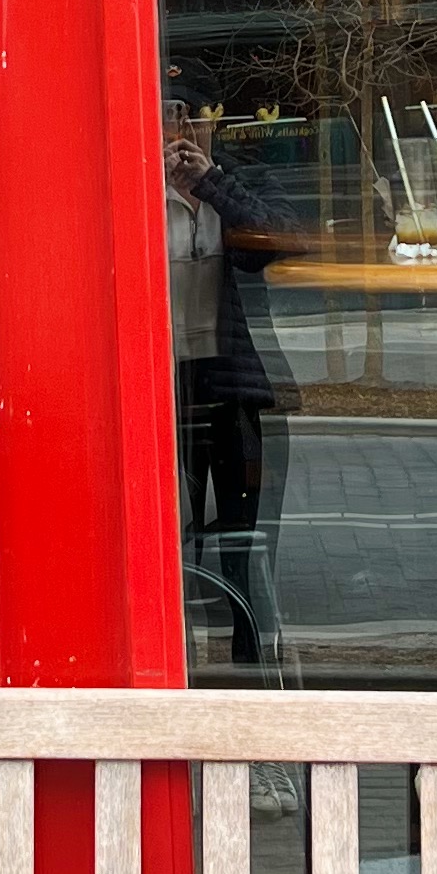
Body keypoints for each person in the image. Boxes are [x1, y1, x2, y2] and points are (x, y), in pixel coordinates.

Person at [164, 72, 290, 677]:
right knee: (169, 534)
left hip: (230, 383)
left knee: (242, 536)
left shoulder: (234, 180)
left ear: (213, 121)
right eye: (170, 118)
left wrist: (210, 181)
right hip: (164, 384)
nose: (182, 132)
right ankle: (174, 658)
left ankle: (250, 661)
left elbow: (271, 242)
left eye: (193, 117)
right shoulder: (137, 186)